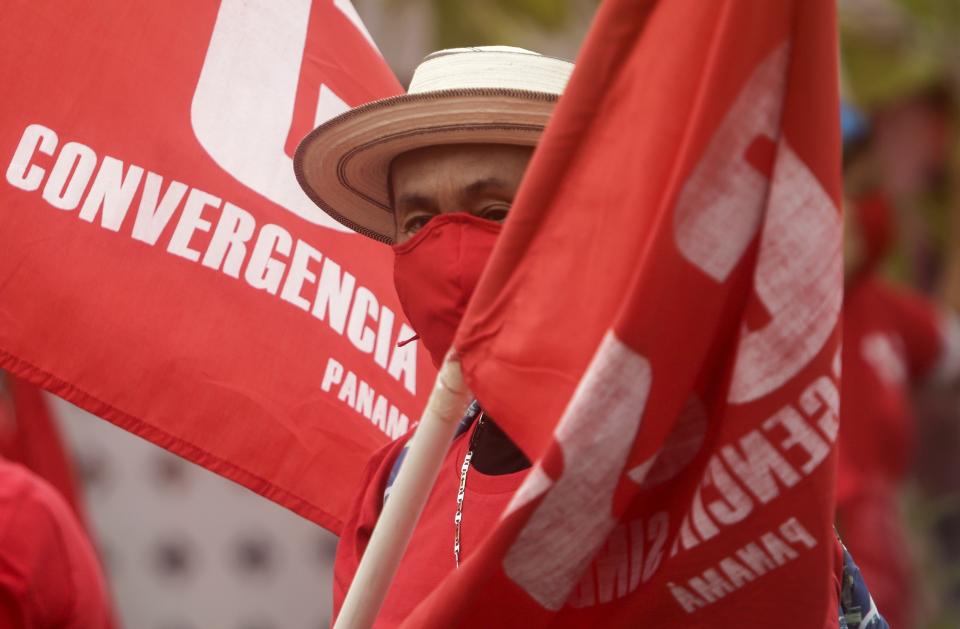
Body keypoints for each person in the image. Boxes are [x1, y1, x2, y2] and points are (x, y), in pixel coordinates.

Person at [296, 46, 888, 628]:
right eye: (420, 223)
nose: (452, 257)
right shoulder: (396, 488)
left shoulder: (717, 482)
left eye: (498, 212)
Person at [837, 107, 960, 629]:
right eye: (853, 188)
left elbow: (948, 343)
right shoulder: (759, 332)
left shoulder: (880, 307)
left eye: (872, 189)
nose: (866, 210)